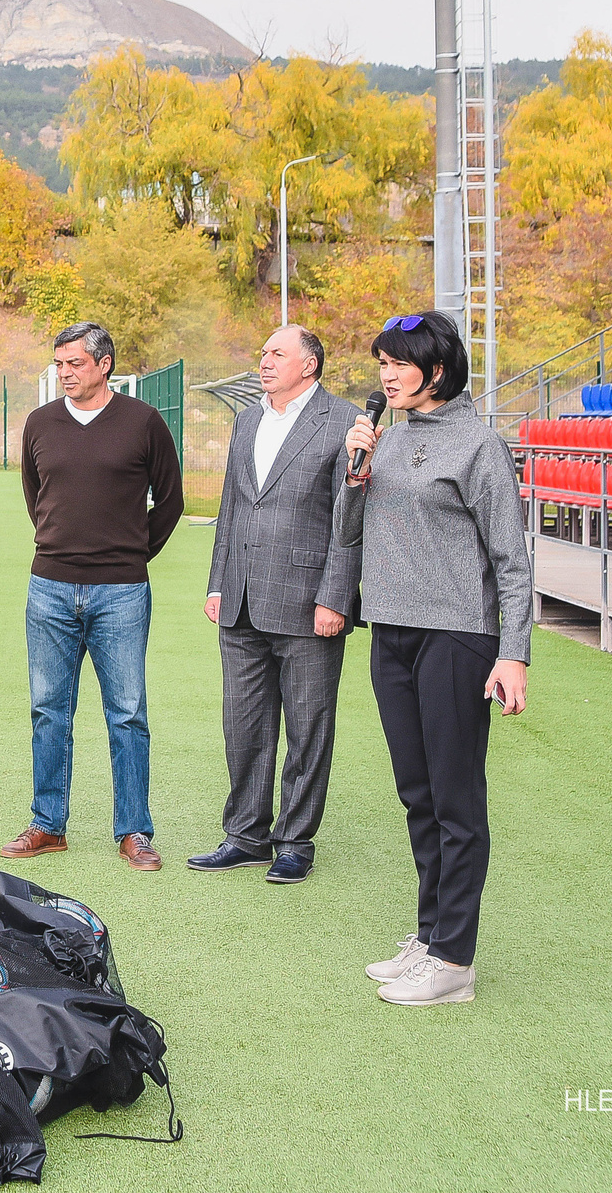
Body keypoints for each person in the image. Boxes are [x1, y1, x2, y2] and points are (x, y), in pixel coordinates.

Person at [338, 311, 533, 1008]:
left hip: (456, 636)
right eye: (381, 361)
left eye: (398, 362)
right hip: (390, 631)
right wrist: (355, 470)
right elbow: (346, 532)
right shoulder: (384, 441)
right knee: (416, 793)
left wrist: (514, 652)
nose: (385, 374)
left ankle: (454, 959)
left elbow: (512, 560)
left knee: (456, 799)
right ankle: (429, 935)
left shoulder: (481, 446)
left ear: (438, 370)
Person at [2, 320, 185, 873]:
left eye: (74, 363)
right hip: (49, 588)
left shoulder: (144, 423)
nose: (64, 373)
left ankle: (133, 831)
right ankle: (47, 824)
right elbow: (38, 499)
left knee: (127, 713)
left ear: (104, 364)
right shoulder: (39, 423)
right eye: (58, 364)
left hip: (122, 594)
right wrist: (66, 550)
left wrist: (127, 556)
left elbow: (171, 501)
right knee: (47, 709)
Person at [193, 325, 361, 884]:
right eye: (262, 351)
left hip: (309, 602)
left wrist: (336, 596)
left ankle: (294, 841)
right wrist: (218, 583)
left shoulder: (344, 423)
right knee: (242, 723)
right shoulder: (247, 419)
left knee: (309, 726)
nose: (263, 361)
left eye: (277, 354)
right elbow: (233, 506)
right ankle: (245, 835)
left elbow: (349, 520)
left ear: (309, 365)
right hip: (240, 598)